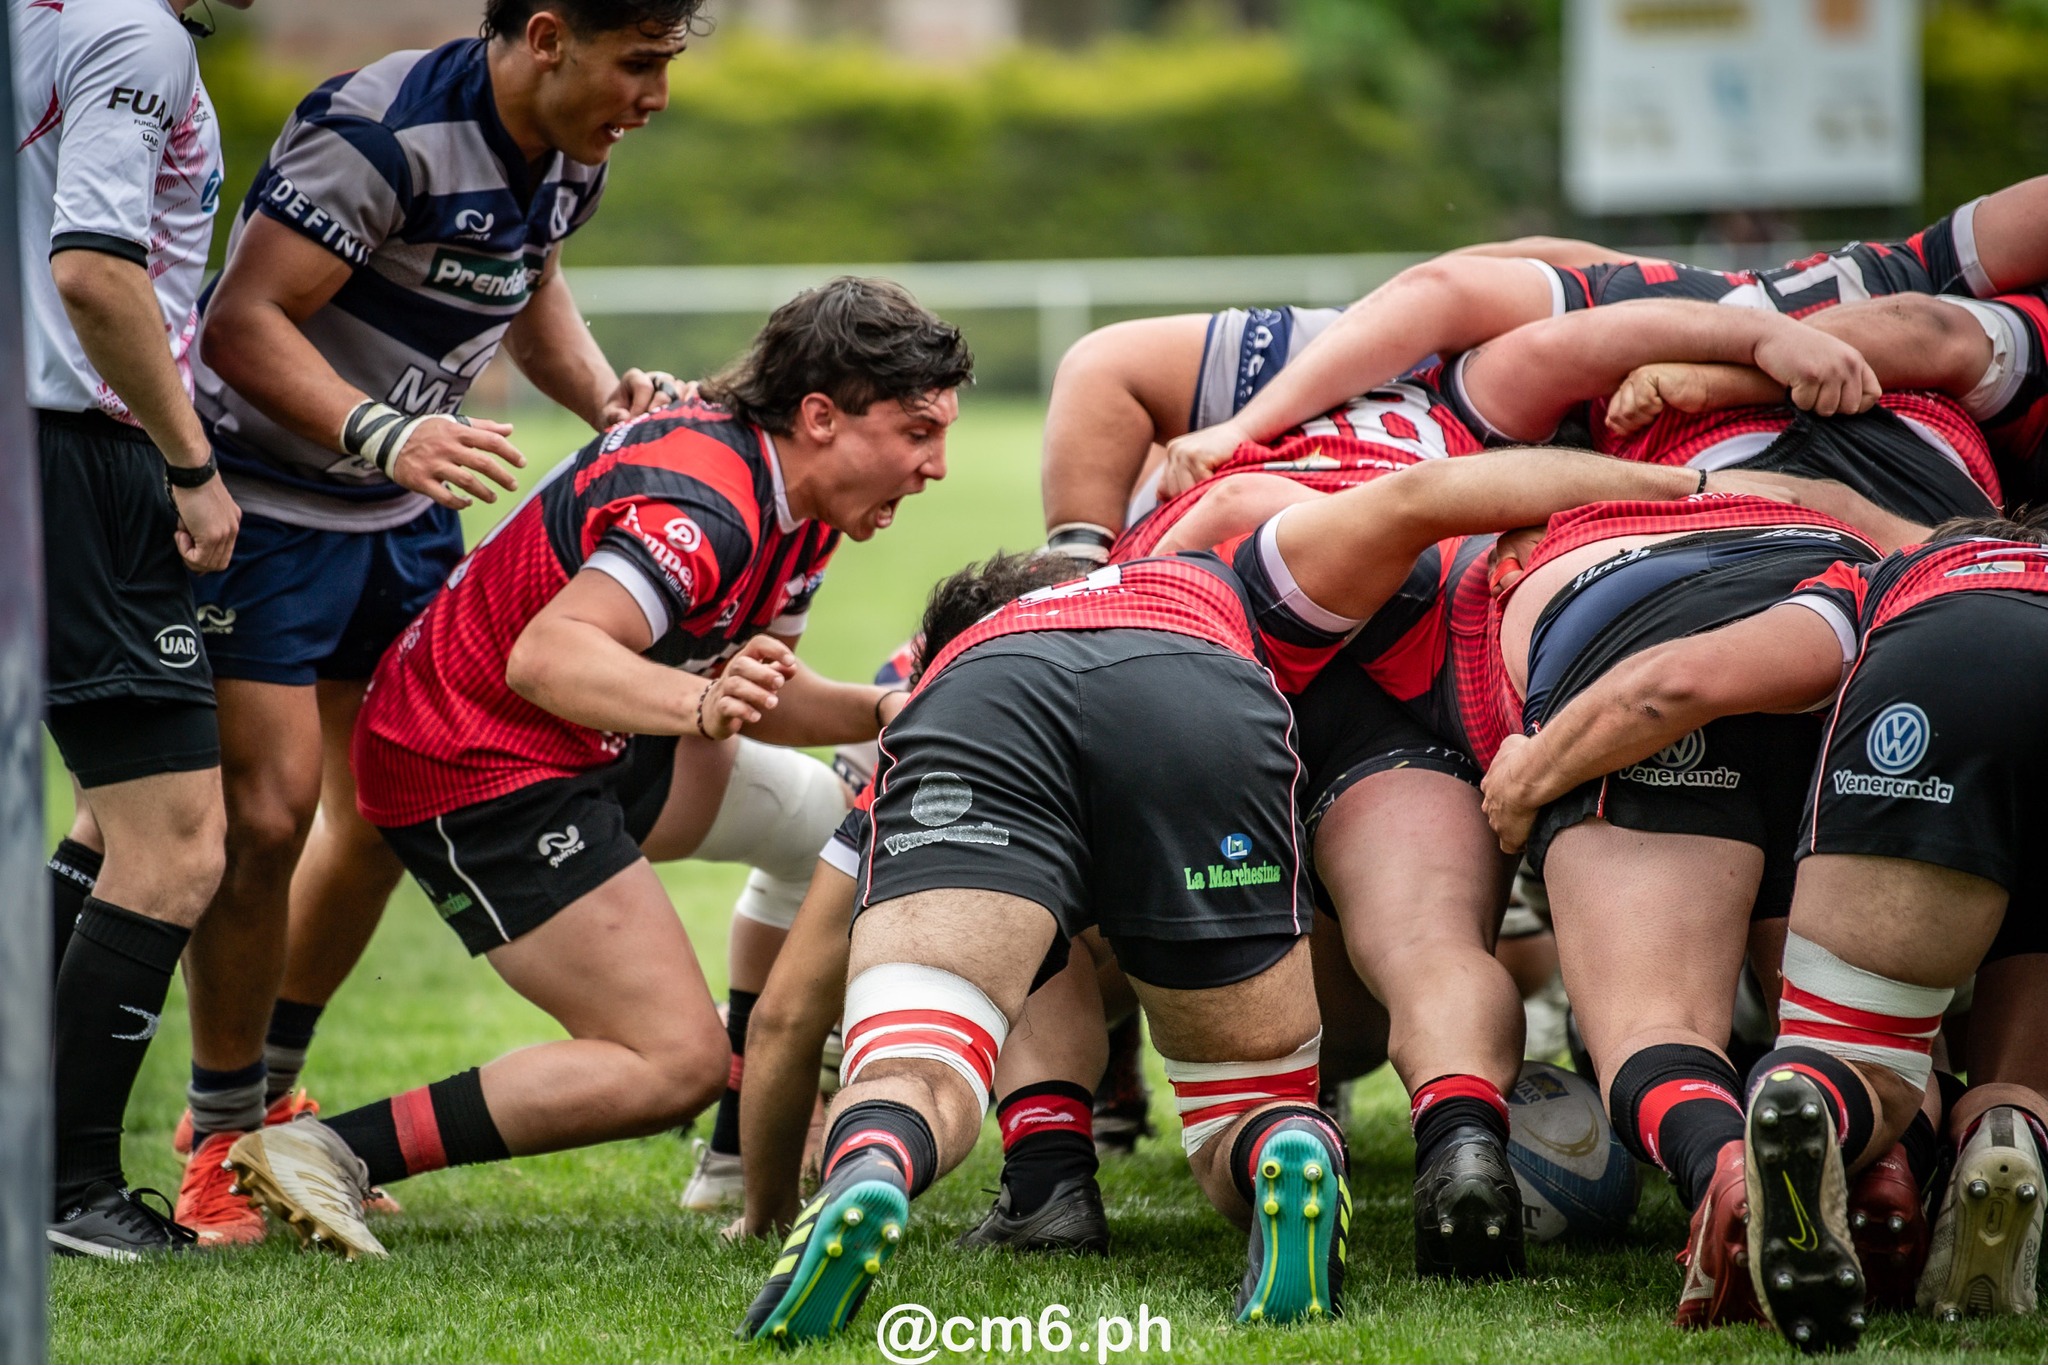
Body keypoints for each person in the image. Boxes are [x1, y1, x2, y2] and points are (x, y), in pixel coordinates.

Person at [736, 446, 1793, 1343]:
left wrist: (763, 1202)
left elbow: (787, 1011)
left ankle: (886, 1163)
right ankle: (1283, 1142)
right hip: (1196, 682)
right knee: (1243, 1097)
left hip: (987, 716)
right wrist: (1679, 482)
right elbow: (1424, 497)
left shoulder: (943, 672)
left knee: (936, 1029)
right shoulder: (1215, 575)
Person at [220, 277, 972, 1259]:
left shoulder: (808, 503)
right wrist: (700, 707)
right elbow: (551, 657)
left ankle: (743, 1152)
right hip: (472, 763)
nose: (938, 466)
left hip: (586, 739)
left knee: (828, 820)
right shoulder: (706, 504)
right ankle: (320, 1148)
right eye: (916, 433)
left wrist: (884, 711)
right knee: (669, 1064)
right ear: (820, 416)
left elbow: (758, 690)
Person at [169, 0, 705, 1243]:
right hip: (267, 506)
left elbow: (533, 286)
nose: (654, 97)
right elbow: (240, 322)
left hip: (401, 516)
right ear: (548, 34)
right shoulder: (382, 133)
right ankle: (215, 1133)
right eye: (639, 64)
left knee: (381, 808)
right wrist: (386, 430)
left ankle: (264, 1107)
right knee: (265, 816)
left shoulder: (574, 149)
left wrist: (605, 407)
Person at [1479, 513, 2048, 1350]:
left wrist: (1528, 773)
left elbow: (1677, 682)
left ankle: (1737, 1165)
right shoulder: (1865, 535)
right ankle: (1991, 1134)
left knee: (1835, 1038)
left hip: (1893, 661)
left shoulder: (1900, 571)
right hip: (1883, 667)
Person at [16, 0, 251, 1259]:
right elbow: (97, 271)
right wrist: (190, 463)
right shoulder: (136, 35)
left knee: (112, 818)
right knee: (179, 844)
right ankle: (66, 1192)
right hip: (83, 456)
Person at [1155, 174, 2048, 499]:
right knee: (1491, 274)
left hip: (1739, 393)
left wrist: (1736, 366)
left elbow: (1932, 335)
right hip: (1715, 341)